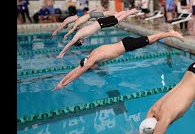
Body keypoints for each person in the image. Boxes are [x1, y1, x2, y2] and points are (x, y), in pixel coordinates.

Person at [53, 30, 184, 90]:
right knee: (149, 41)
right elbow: (77, 69)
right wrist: (61, 82)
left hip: (128, 45)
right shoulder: (92, 54)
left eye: (91, 68)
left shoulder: (93, 60)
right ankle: (170, 33)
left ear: (89, 64)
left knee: (152, 38)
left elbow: (78, 73)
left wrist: (65, 84)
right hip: (125, 42)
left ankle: (171, 33)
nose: (95, 69)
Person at [56, 8, 138, 58]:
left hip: (102, 24)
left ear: (79, 41)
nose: (83, 42)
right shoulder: (81, 34)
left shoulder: (77, 36)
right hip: (100, 22)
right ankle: (129, 11)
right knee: (116, 16)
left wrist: (62, 53)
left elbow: (69, 45)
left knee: (118, 20)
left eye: (81, 42)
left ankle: (131, 12)